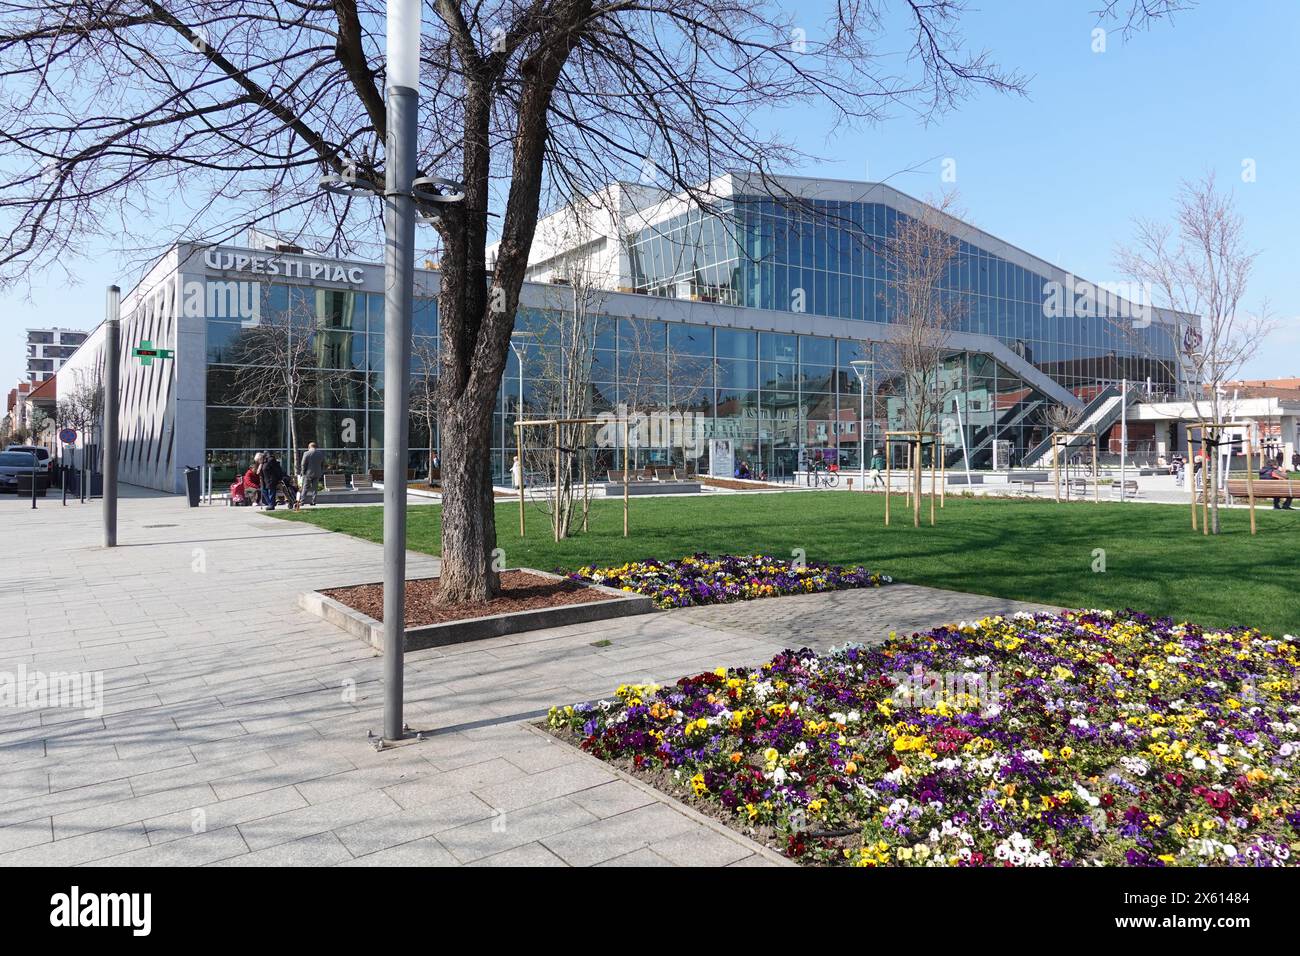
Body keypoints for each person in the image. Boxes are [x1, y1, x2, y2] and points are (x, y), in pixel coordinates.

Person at [299, 441, 326, 507]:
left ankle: (302, 501)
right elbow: (323, 464)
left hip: (308, 474)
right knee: (315, 488)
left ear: (309, 447)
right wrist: (321, 471)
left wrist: (303, 472)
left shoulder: (306, 453)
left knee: (305, 488)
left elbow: (303, 464)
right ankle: (314, 501)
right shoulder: (320, 454)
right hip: (317, 473)